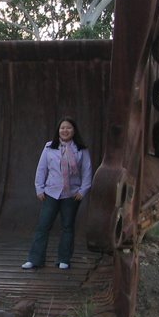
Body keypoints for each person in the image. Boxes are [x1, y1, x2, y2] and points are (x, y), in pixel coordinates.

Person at [22, 116, 93, 270]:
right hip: (51, 192)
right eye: (62, 128)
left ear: (74, 131)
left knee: (67, 226)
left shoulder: (81, 149)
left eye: (68, 128)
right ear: (58, 130)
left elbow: (87, 171)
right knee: (43, 225)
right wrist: (39, 188)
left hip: (72, 194)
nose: (65, 130)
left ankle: (64, 259)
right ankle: (35, 259)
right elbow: (41, 169)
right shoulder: (49, 147)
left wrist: (83, 190)